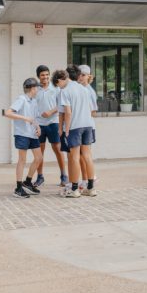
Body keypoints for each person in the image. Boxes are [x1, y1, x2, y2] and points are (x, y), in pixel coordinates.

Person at [60, 65, 97, 198]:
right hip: (88, 125)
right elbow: (92, 109)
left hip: (75, 126)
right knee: (87, 156)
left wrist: (66, 129)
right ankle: (91, 188)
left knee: (74, 157)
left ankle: (74, 189)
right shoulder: (85, 90)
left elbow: (67, 113)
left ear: (67, 76)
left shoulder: (65, 91)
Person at [5, 77, 42, 198]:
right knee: (22, 160)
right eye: (36, 87)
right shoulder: (21, 99)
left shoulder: (34, 101)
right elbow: (8, 113)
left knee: (38, 158)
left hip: (32, 134)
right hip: (22, 133)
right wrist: (24, 118)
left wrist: (38, 127)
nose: (38, 89)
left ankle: (27, 182)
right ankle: (18, 188)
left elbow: (34, 117)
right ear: (32, 88)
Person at [34, 65, 66, 188]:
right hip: (39, 124)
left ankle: (64, 176)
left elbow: (61, 105)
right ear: (38, 76)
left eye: (47, 74)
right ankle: (40, 177)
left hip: (53, 122)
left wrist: (51, 112)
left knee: (58, 149)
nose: (45, 77)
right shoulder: (35, 89)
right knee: (39, 152)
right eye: (42, 75)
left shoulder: (56, 88)